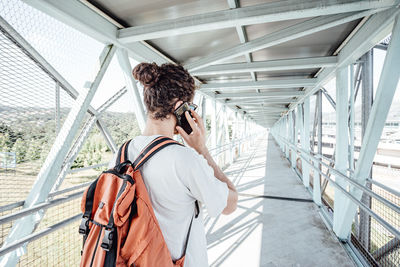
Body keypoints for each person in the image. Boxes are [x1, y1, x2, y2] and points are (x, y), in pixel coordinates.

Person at [109, 62, 238, 267]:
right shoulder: (184, 159)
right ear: (181, 107)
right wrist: (201, 149)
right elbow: (231, 203)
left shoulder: (120, 153)